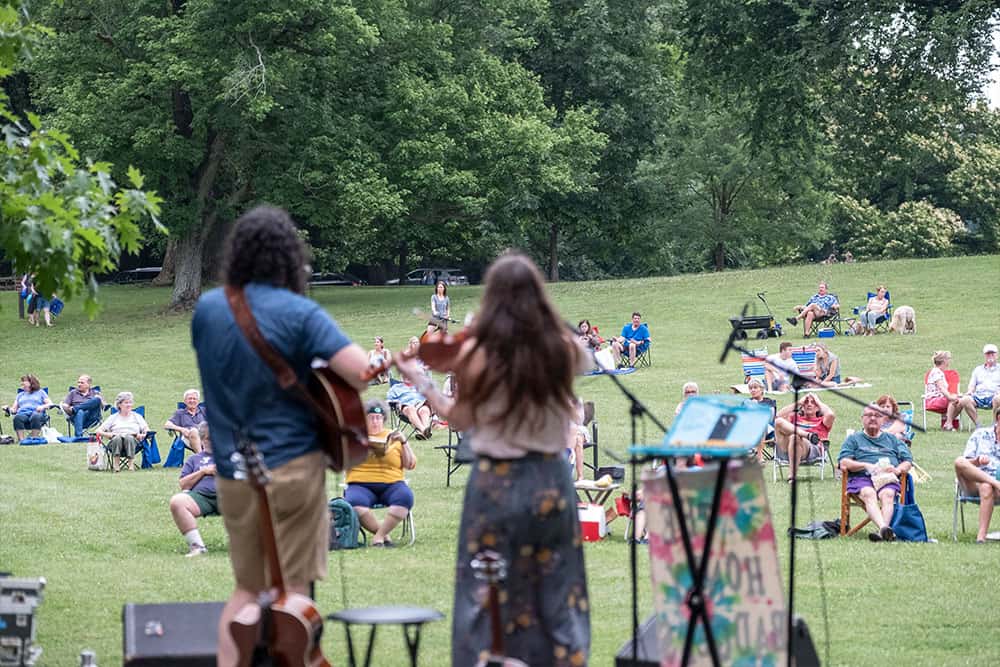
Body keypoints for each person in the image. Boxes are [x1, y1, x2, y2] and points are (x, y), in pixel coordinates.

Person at [190, 205, 369, 667]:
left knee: (247, 591)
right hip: (292, 468)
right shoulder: (299, 312)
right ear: (289, 257)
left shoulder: (209, 309)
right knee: (293, 594)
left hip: (233, 471)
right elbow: (361, 371)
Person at [394, 252, 590, 667]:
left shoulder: (479, 354)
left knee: (484, 590)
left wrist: (420, 381)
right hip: (550, 479)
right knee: (555, 584)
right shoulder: (562, 349)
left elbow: (458, 416)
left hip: (496, 483)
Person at [838, 403, 914, 542]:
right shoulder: (854, 439)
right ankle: (884, 529)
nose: (873, 418)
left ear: (883, 420)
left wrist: (897, 470)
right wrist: (865, 465)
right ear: (862, 419)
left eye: (877, 415)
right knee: (869, 493)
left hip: (886, 478)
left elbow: (908, 461)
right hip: (862, 478)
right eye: (869, 415)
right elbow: (844, 463)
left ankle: (882, 532)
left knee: (888, 494)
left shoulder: (893, 440)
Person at [345, 400, 417, 547]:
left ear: (383, 419)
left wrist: (404, 443)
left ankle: (378, 537)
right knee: (354, 503)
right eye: (371, 418)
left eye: (378, 418)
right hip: (360, 483)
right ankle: (385, 535)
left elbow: (410, 464)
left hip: (392, 483)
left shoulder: (394, 436)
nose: (375, 421)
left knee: (405, 498)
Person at [168, 423, 217, 556]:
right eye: (208, 438)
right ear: (202, 440)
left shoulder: (231, 457)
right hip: (202, 497)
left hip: (231, 495)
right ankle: (197, 546)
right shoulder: (194, 459)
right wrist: (203, 472)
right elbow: (184, 485)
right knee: (177, 501)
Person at [953, 406, 1000, 543]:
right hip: (973, 484)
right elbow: (966, 464)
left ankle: (981, 537)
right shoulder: (980, 434)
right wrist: (977, 461)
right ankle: (994, 482)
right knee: (959, 461)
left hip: (995, 488)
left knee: (986, 487)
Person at [773, 392, 835, 481]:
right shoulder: (794, 417)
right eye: (806, 402)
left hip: (812, 448)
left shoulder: (822, 421)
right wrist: (798, 403)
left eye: (813, 402)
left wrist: (818, 401)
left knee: (795, 437)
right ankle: (807, 435)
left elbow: (831, 415)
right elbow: (777, 416)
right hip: (788, 447)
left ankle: (792, 475)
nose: (809, 404)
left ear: (818, 407)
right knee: (778, 422)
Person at [386, 336, 434, 439]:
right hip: (407, 409)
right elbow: (390, 401)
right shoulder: (396, 387)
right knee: (411, 409)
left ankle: (424, 431)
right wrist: (397, 404)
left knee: (424, 410)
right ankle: (424, 430)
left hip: (420, 405)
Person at [95, 391, 149, 472]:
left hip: (134, 443)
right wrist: (109, 434)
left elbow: (147, 430)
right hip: (115, 442)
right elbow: (98, 431)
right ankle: (116, 465)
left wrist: (143, 435)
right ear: (119, 405)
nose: (129, 405)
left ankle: (131, 465)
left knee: (129, 437)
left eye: (130, 402)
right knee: (117, 438)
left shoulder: (137, 416)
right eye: (126, 403)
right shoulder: (113, 417)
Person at [954, 344, 1000, 428]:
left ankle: (995, 424)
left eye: (992, 353)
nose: (990, 356)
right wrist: (969, 392)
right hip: (979, 396)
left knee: (998, 398)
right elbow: (972, 385)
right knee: (964, 399)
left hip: (994, 396)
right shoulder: (978, 369)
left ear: (997, 355)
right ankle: (979, 426)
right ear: (985, 355)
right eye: (988, 354)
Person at [924, 351, 963, 431]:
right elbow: (942, 388)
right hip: (933, 400)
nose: (949, 361)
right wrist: (951, 397)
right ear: (944, 361)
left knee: (961, 401)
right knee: (953, 400)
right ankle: (948, 424)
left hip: (939, 398)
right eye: (948, 359)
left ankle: (947, 423)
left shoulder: (939, 372)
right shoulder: (936, 372)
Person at [6, 374, 52, 441]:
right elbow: (14, 409)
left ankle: (34, 438)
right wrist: (8, 409)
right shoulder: (20, 395)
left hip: (37, 412)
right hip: (23, 414)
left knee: (35, 416)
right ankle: (21, 440)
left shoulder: (40, 392)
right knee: (17, 417)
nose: (22, 383)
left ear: (31, 382)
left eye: (24, 381)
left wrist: (42, 406)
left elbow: (50, 403)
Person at [164, 389, 207, 453]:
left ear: (198, 401)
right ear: (185, 401)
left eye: (194, 399)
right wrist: (182, 429)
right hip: (188, 438)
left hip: (205, 437)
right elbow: (167, 425)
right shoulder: (180, 413)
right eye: (189, 399)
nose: (192, 401)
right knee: (194, 431)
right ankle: (200, 458)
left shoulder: (204, 411)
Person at [747, 378, 777, 463]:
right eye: (751, 388)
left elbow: (770, 418)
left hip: (767, 430)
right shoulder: (747, 402)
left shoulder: (769, 402)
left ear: (762, 389)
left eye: (755, 387)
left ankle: (759, 457)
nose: (753, 390)